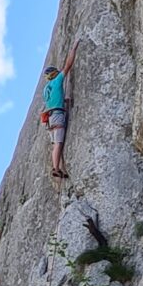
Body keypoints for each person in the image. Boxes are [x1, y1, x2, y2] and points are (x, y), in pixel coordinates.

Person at [42, 40, 79, 183]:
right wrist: (73, 49)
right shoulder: (57, 81)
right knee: (58, 142)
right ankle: (56, 168)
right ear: (54, 74)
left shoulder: (46, 89)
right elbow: (68, 65)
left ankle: (58, 167)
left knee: (56, 143)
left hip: (50, 117)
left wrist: (64, 101)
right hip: (57, 116)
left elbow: (53, 100)